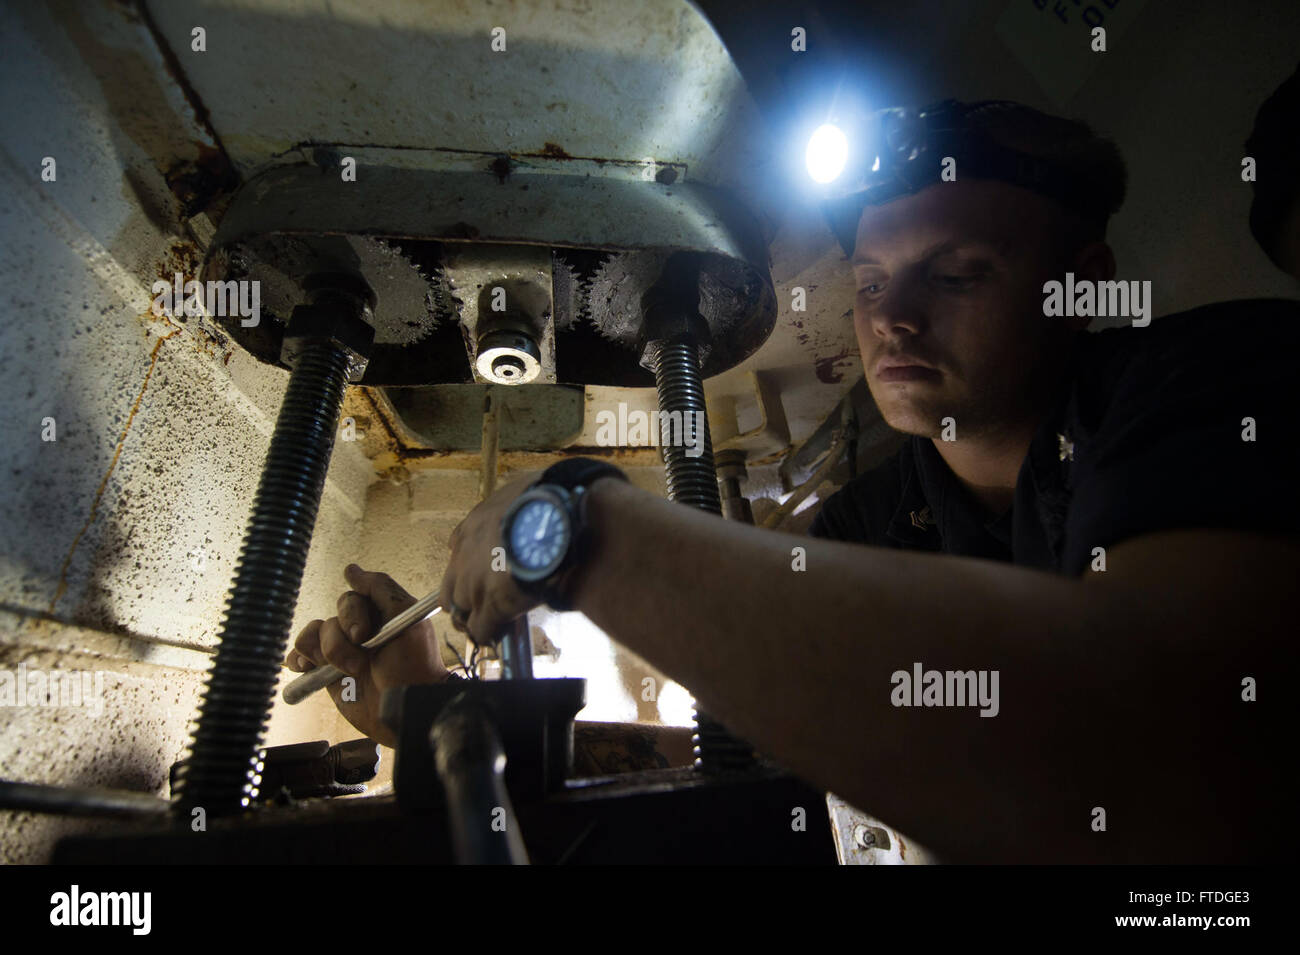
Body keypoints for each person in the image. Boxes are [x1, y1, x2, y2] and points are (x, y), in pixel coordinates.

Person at [286, 100, 1298, 863]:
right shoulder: (871, 518)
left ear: (1078, 284)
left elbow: (1159, 743)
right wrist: (427, 718)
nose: (891, 317)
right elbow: (756, 762)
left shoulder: (1209, 379)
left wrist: (581, 524)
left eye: (954, 275)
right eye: (868, 280)